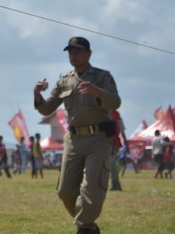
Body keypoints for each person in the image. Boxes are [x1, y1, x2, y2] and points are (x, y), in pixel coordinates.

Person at [33, 36, 120, 234]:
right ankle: (89, 225)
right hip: (72, 139)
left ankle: (84, 227)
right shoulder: (64, 81)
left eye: (78, 51)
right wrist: (37, 94)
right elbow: (47, 109)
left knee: (92, 187)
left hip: (98, 138)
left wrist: (97, 92)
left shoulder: (103, 77)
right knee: (64, 190)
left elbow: (115, 103)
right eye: (71, 52)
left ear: (89, 54)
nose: (74, 55)